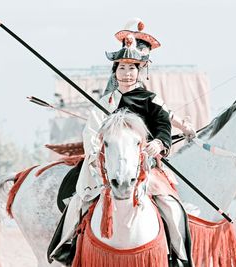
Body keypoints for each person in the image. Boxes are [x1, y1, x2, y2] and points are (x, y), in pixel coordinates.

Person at [48, 19, 196, 266]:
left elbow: (163, 125)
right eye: (122, 68)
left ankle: (179, 255)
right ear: (115, 72)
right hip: (104, 163)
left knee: (172, 206)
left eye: (132, 69)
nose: (127, 74)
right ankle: (66, 246)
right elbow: (91, 133)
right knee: (78, 200)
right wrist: (97, 157)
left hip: (144, 163)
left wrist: (159, 143)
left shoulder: (151, 99)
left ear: (140, 72)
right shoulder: (105, 103)